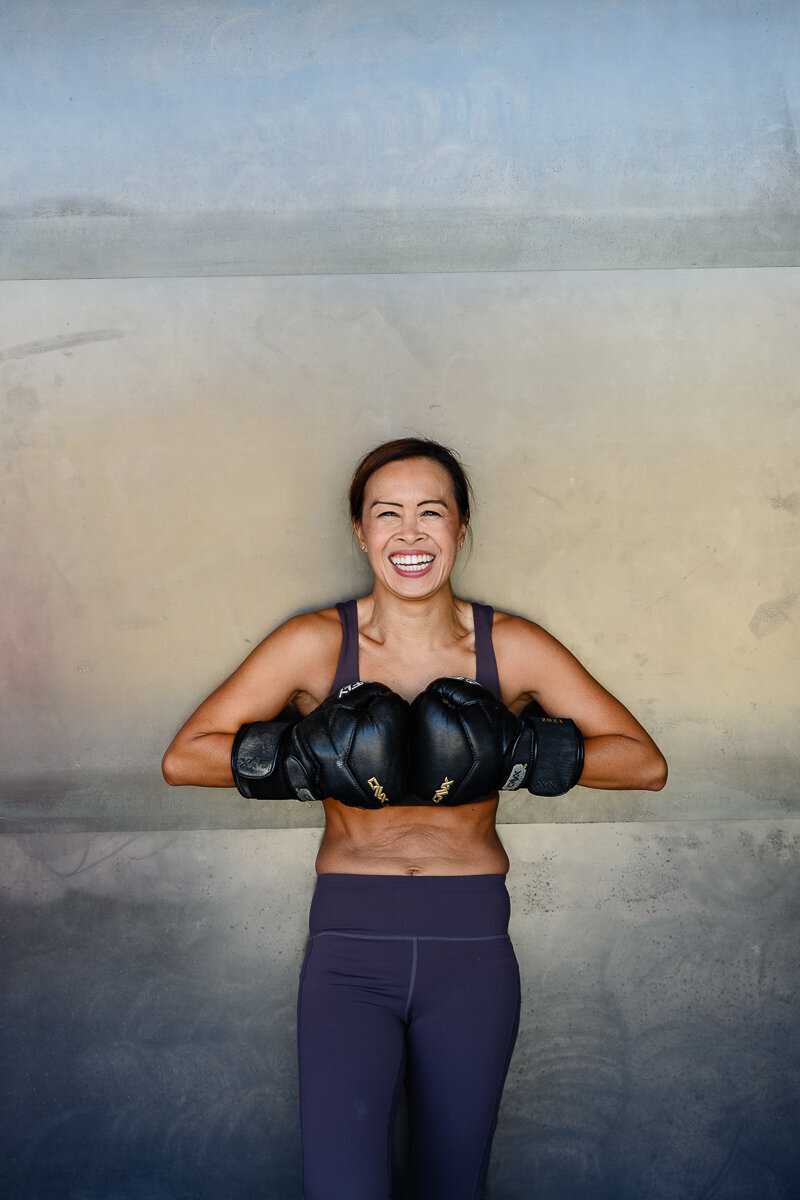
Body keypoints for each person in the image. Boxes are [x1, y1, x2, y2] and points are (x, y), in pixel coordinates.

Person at [162, 436, 667, 1200]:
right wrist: (305, 756)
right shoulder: (314, 644)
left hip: (471, 948)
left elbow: (643, 760)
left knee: (451, 1186)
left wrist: (517, 753)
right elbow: (186, 756)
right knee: (343, 1188)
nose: (409, 533)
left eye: (431, 512)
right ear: (360, 532)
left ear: (461, 529)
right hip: (348, 949)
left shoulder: (510, 648)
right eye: (386, 514)